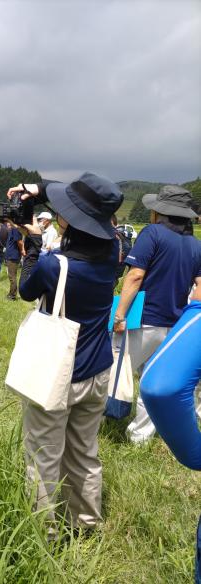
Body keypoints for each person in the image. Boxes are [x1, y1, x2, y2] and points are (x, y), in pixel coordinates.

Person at [13, 173, 123, 537]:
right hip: (98, 371)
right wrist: (39, 191)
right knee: (84, 453)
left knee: (44, 455)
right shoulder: (114, 253)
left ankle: (46, 531)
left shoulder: (53, 264)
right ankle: (86, 522)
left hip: (58, 374)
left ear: (69, 220)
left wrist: (30, 243)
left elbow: (28, 291)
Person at [111, 185, 201, 444]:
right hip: (174, 325)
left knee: (114, 370)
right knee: (150, 381)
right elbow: (199, 290)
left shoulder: (152, 234)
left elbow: (135, 276)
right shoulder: (195, 244)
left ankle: (95, 423)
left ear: (160, 213)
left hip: (142, 319)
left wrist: (119, 316)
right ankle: (141, 437)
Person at [4, 222, 24, 300]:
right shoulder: (13, 229)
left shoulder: (15, 229)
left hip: (13, 256)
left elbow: (19, 242)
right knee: (11, 276)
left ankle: (12, 296)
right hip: (11, 255)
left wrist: (22, 250)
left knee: (12, 277)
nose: (8, 224)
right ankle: (11, 293)